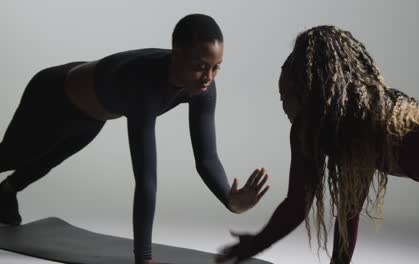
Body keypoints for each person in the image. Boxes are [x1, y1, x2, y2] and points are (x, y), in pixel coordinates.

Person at [0, 14, 270, 264]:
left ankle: (7, 191)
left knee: (47, 159)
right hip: (52, 94)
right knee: (12, 156)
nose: (208, 78)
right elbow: (146, 178)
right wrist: (144, 257)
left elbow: (206, 158)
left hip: (92, 117)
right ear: (177, 55)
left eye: (216, 68)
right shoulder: (144, 85)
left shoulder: (203, 86)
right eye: (200, 67)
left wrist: (228, 198)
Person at [215, 25, 419, 264]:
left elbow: (298, 204)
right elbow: (347, 210)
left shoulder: (347, 125)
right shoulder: (360, 123)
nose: (284, 107)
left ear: (308, 92)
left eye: (287, 97)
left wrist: (258, 242)